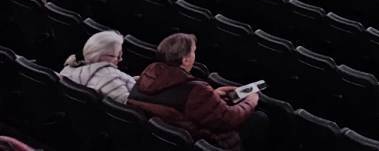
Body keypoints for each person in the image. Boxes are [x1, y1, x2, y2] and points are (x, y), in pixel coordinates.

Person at [129, 33, 260, 148]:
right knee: (258, 118)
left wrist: (212, 95)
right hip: (202, 141)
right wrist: (251, 100)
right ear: (185, 60)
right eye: (193, 52)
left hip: (159, 139)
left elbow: (171, 97)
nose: (194, 56)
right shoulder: (196, 89)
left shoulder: (148, 75)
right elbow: (229, 118)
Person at [60, 30, 137, 104]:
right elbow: (127, 104)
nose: (120, 59)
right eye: (117, 56)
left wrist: (132, 80)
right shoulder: (109, 77)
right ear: (98, 56)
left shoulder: (70, 68)